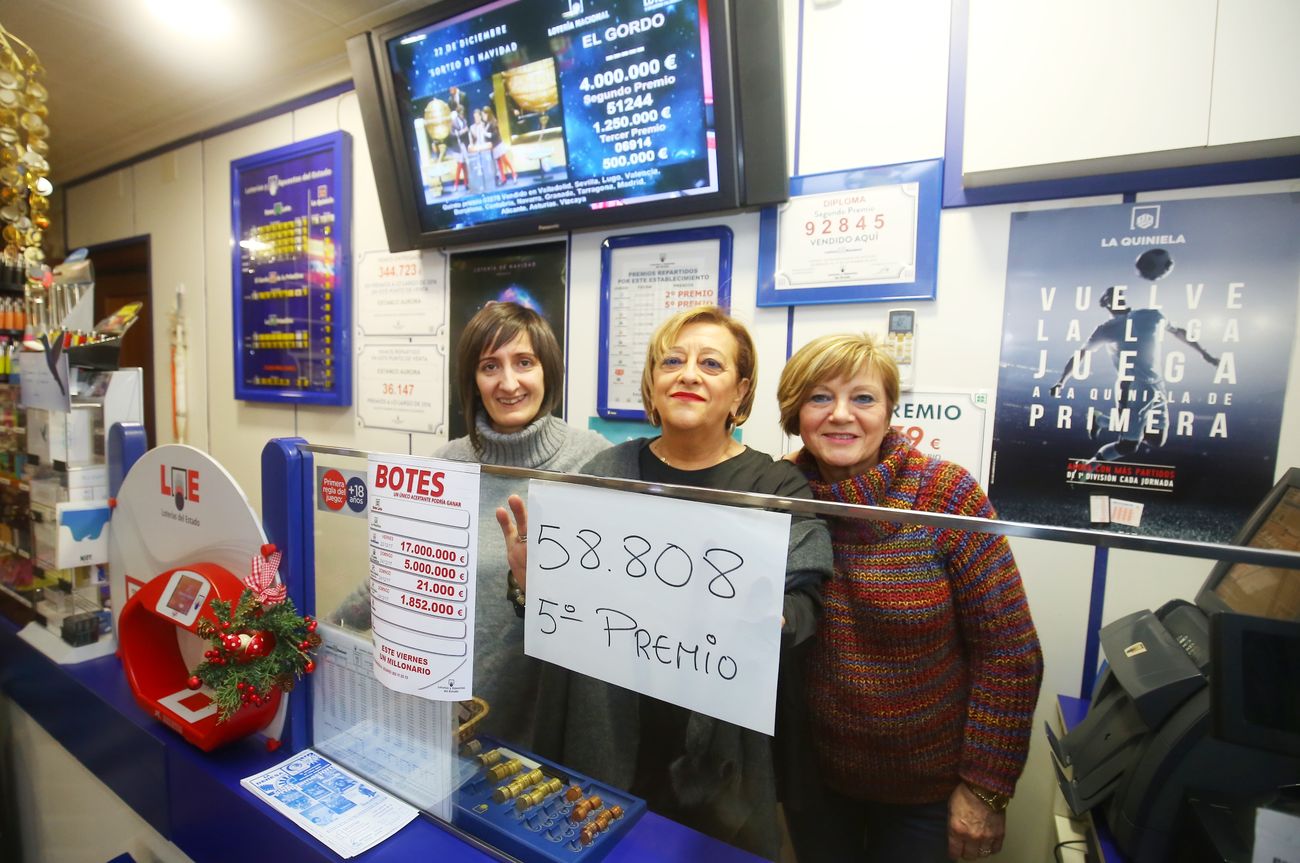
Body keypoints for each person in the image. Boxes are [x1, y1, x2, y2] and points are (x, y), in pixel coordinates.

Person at [497, 306, 832, 859]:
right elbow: (558, 617)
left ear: (740, 391)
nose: (689, 374)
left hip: (716, 749)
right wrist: (533, 588)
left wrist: (779, 621)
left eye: (711, 363)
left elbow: (807, 597)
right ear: (653, 383)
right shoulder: (605, 473)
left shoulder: (773, 484)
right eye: (671, 360)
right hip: (605, 728)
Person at [776, 333, 1043, 863]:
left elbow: (1009, 653)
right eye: (820, 397)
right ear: (795, 413)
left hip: (928, 793)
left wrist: (985, 788)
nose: (841, 415)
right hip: (815, 781)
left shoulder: (945, 496)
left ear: (890, 411)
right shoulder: (780, 495)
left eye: (863, 398)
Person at [333, 302, 609, 746]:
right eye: (489, 366)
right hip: (445, 718)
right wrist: (322, 633)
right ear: (472, 381)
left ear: (548, 371)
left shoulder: (594, 460)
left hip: (548, 729)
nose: (509, 382)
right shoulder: (445, 464)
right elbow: (396, 576)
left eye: (524, 362)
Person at [1049, 250, 1219, 462]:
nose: (1116, 297)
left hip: (1156, 384)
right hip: (1132, 387)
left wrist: (1205, 354)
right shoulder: (1106, 329)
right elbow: (1081, 355)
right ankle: (1088, 468)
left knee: (1156, 439)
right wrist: (1061, 381)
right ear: (1106, 304)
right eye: (1110, 296)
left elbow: (1179, 332)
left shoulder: (1151, 316)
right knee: (1128, 445)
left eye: (1118, 294)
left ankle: (1102, 420)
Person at [483, 105, 516, 184]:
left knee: (505, 161)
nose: (483, 116)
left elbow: (495, 134)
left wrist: (487, 134)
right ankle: (503, 178)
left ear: (488, 114)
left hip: (498, 144)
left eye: (484, 114)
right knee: (499, 163)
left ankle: (514, 175)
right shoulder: (486, 124)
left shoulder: (493, 121)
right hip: (493, 146)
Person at [449, 105, 470, 190]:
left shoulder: (464, 121)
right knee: (460, 165)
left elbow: (466, 134)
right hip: (457, 147)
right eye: (461, 113)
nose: (462, 115)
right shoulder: (453, 122)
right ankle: (456, 185)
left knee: (465, 165)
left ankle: (466, 184)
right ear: (458, 113)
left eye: (463, 113)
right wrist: (461, 132)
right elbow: (451, 135)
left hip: (464, 145)